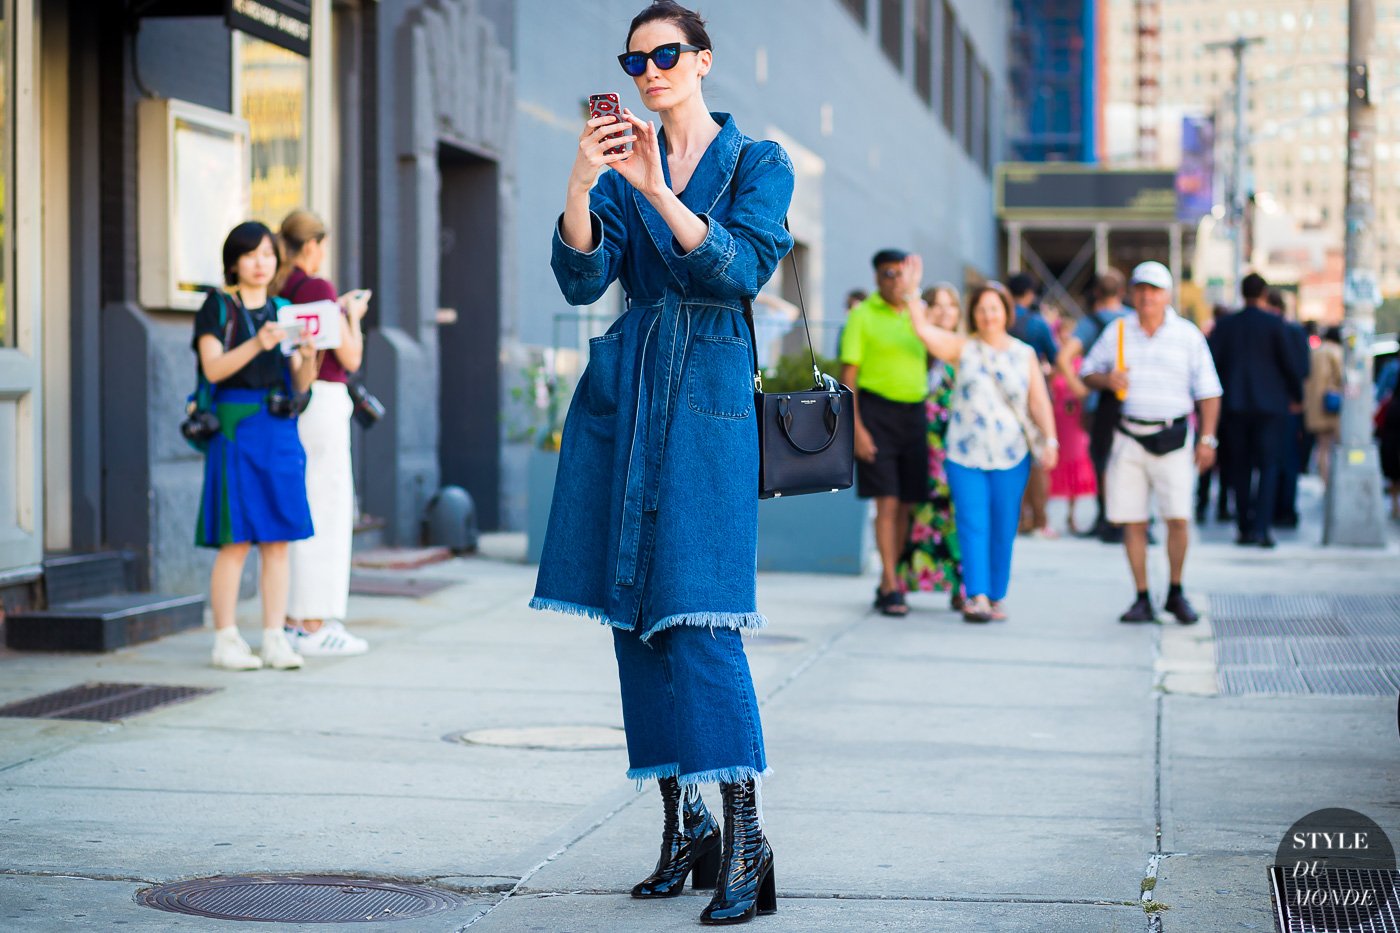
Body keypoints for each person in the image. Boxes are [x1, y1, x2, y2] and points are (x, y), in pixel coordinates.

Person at [529, 3, 784, 923]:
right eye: (635, 58)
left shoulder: (758, 162)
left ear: (702, 59)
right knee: (633, 616)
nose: (649, 69)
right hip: (628, 388)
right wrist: (583, 177)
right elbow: (582, 278)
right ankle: (685, 826)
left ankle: (747, 839)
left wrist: (656, 186)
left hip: (707, 392)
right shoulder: (619, 159)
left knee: (700, 611)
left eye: (666, 54)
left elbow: (739, 271)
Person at [194, 222, 318, 671]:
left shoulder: (286, 310)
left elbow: (302, 383)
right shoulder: (217, 306)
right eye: (251, 254)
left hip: (280, 429)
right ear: (234, 262)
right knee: (236, 539)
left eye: (268, 254)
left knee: (279, 540)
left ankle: (273, 638)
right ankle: (225, 639)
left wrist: (306, 356)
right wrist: (257, 343)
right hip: (235, 428)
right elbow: (212, 369)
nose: (261, 262)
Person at [907, 273, 1058, 624]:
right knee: (972, 522)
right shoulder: (963, 348)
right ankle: (975, 596)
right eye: (981, 309)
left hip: (1011, 455)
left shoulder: (1025, 354)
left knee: (1004, 525)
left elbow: (1039, 402)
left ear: (1006, 312)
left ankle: (995, 595)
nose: (988, 315)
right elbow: (924, 332)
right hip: (964, 455)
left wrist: (1050, 440)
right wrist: (915, 292)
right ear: (973, 314)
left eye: (994, 309)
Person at [1081, 261, 1221, 624]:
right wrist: (1106, 379)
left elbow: (1208, 391)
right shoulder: (1119, 331)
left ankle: (1175, 590)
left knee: (1178, 518)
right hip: (1129, 436)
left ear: (1167, 295)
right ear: (1132, 293)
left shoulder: (1188, 335)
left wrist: (1207, 439)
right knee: (1133, 521)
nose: (1147, 296)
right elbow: (1087, 371)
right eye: (1141, 289)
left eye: (1155, 290)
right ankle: (1141, 595)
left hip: (1174, 436)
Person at [276, 210, 373, 657]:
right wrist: (351, 314)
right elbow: (349, 357)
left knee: (303, 506)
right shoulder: (316, 288)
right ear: (314, 246)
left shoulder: (282, 288)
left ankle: (295, 618)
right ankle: (313, 622)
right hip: (325, 401)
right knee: (327, 509)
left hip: (297, 403)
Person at [840, 249, 931, 618]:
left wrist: (916, 301)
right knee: (887, 502)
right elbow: (849, 378)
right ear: (877, 279)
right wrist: (857, 429)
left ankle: (891, 579)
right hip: (876, 413)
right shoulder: (862, 316)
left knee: (908, 501)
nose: (895, 280)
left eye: (901, 273)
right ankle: (891, 584)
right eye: (888, 274)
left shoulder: (917, 312)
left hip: (915, 413)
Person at [1207, 273, 1306, 548]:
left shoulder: (1226, 325)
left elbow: (1212, 364)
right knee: (1268, 466)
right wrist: (1296, 396)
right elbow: (1290, 365)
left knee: (1239, 467)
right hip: (1271, 407)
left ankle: (1244, 527)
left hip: (1235, 406)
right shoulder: (1276, 324)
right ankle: (1262, 527)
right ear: (1263, 294)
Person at [897, 284, 964, 609]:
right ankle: (898, 583)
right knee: (915, 512)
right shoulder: (916, 347)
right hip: (917, 441)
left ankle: (962, 587)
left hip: (958, 448)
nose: (944, 312)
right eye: (937, 305)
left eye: (951, 306)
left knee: (958, 515)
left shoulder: (965, 348)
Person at [1054, 270, 1128, 541]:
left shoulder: (1089, 323)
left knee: (1102, 459)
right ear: (1122, 292)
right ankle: (1128, 518)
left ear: (1096, 293)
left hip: (1099, 403)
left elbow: (1063, 358)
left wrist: (1081, 390)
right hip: (1131, 402)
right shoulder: (1132, 319)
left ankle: (1106, 516)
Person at [1007, 273, 1057, 538]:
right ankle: (1039, 519)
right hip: (1033, 396)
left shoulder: (1000, 318)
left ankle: (1017, 518)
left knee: (1008, 457)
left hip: (1002, 398)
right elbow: (1055, 356)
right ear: (1029, 293)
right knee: (1037, 460)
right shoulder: (1038, 324)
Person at [1048, 314, 1097, 534]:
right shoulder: (1055, 367)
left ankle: (1074, 514)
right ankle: (1066, 514)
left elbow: (1085, 393)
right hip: (1059, 420)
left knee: (1077, 461)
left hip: (1076, 420)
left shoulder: (1081, 365)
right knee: (1063, 462)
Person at [1268, 289, 1311, 529]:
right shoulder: (1292, 330)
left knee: (1277, 460)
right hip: (1286, 404)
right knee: (1285, 460)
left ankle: (1280, 509)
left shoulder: (1282, 330)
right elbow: (1302, 369)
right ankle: (1283, 509)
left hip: (1279, 404)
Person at [1303, 326, 1344, 484]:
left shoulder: (1315, 351)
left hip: (1314, 406)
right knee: (1336, 445)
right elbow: (1342, 376)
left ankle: (1324, 480)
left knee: (1322, 446)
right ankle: (1333, 482)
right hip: (1332, 404)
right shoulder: (1336, 351)